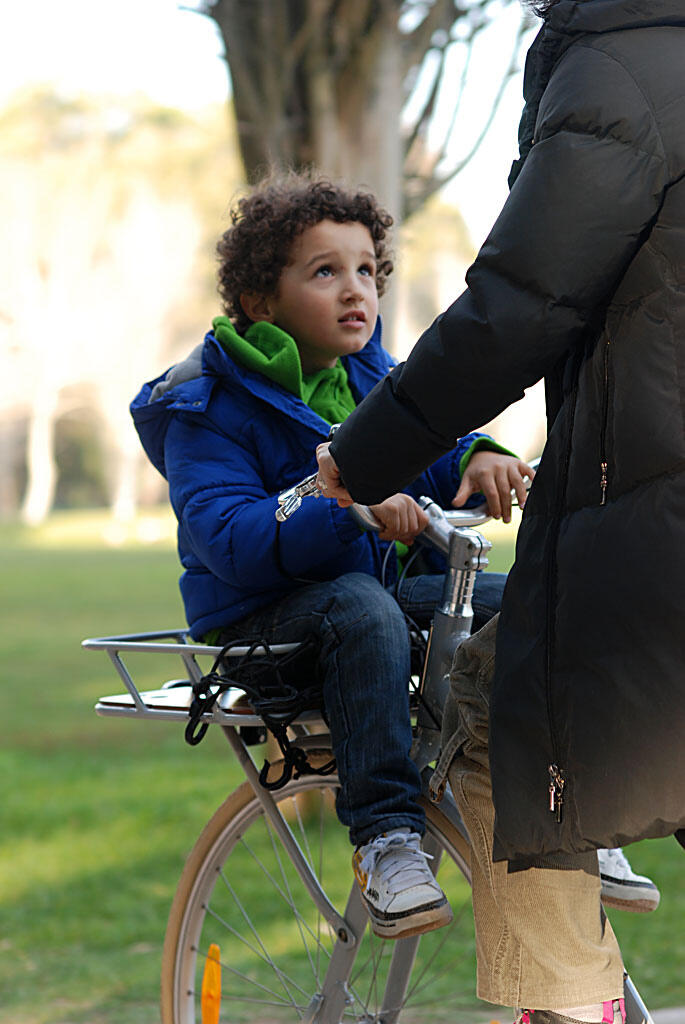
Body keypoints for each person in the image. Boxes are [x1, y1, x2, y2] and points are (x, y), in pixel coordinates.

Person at [315, 0, 683, 1020]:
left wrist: (364, 451)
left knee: (498, 709)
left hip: (656, 533)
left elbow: (520, 304)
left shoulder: (623, 72)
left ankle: (570, 1001)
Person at [131, 173, 532, 941]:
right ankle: (386, 839)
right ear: (259, 300)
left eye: (367, 271)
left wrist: (479, 456)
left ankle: (554, 797)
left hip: (368, 607)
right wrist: (339, 503)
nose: (357, 290)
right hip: (268, 630)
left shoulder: (371, 377)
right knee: (361, 605)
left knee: (524, 598)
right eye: (325, 271)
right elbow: (232, 537)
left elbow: (435, 454)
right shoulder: (204, 405)